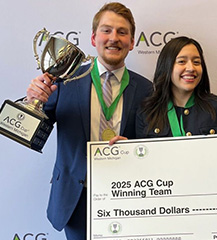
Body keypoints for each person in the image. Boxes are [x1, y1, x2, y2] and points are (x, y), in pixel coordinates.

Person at [26, 2, 152, 239]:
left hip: (126, 197)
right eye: (106, 30)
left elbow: (152, 145)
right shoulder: (63, 80)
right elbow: (33, 137)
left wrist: (134, 148)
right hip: (75, 200)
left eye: (122, 32)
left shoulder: (146, 89)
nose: (113, 38)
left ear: (132, 42)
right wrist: (34, 102)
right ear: (94, 38)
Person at [135, 36, 217, 138]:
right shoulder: (147, 112)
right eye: (182, 61)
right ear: (167, 66)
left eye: (196, 62)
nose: (191, 68)